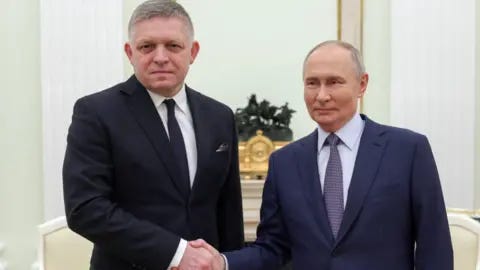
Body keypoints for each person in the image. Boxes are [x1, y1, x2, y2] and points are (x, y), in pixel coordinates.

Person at [191, 40, 453, 270]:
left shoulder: (407, 150)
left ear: (362, 84)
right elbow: (273, 248)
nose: (322, 96)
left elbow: (435, 246)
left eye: (334, 82)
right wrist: (223, 263)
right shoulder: (285, 162)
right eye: (312, 83)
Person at [62, 1, 244, 269]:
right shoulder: (96, 113)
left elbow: (228, 210)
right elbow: (86, 208)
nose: (160, 57)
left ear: (192, 52)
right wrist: (177, 252)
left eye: (173, 46)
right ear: (130, 52)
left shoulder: (219, 116)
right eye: (147, 46)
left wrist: (230, 262)